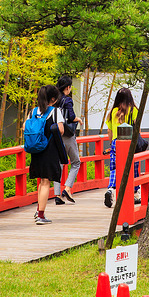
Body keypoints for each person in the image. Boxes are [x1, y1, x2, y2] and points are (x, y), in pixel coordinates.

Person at [27, 84, 67, 225]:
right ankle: (41, 215)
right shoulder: (55, 112)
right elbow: (61, 130)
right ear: (53, 99)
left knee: (41, 182)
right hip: (49, 150)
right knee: (45, 182)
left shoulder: (32, 112)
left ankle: (39, 210)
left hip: (36, 150)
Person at [104, 88, 139, 208]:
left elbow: (109, 130)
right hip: (130, 142)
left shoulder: (113, 112)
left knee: (114, 167)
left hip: (115, 142)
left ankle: (111, 189)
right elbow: (137, 128)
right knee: (133, 166)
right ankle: (135, 193)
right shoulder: (133, 111)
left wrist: (111, 143)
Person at [52, 76, 82, 205]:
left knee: (58, 164)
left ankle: (57, 195)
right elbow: (71, 116)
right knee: (76, 162)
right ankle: (68, 188)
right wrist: (79, 120)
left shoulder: (53, 100)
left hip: (56, 135)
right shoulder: (67, 100)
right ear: (67, 87)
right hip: (67, 135)